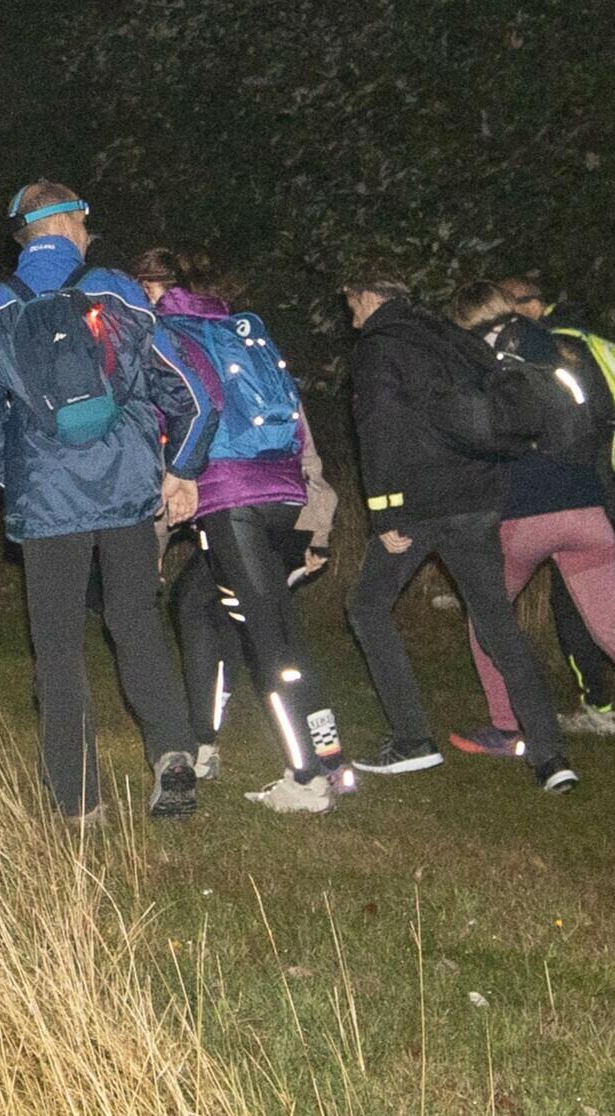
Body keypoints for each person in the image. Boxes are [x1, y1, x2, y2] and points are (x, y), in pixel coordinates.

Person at [0, 180, 217, 823]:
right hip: (126, 487)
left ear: (22, 234)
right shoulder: (116, 289)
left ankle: (79, 801)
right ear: (72, 222)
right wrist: (180, 468)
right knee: (135, 621)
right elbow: (188, 389)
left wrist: (15, 475)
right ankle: (173, 756)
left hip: (46, 500)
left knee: (57, 645)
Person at [341, 266, 579, 793]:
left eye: (351, 301)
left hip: (421, 503)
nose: (350, 313)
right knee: (497, 623)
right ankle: (551, 756)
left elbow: (378, 428)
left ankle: (412, 740)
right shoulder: (447, 333)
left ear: (368, 296)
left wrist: (384, 512)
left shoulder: (381, 345)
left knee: (367, 605)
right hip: (476, 499)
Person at [129, 244, 346, 814]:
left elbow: (163, 438)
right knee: (197, 601)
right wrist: (317, 520)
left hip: (231, 499)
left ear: (152, 286)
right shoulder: (244, 329)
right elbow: (299, 424)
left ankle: (309, 777)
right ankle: (212, 743)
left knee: (271, 640)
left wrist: (152, 539)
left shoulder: (163, 335)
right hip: (285, 495)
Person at [449, 281, 615, 767]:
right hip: (588, 511)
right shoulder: (562, 349)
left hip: (527, 515)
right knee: (612, 629)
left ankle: (505, 727)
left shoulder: (485, 359)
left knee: (486, 619)